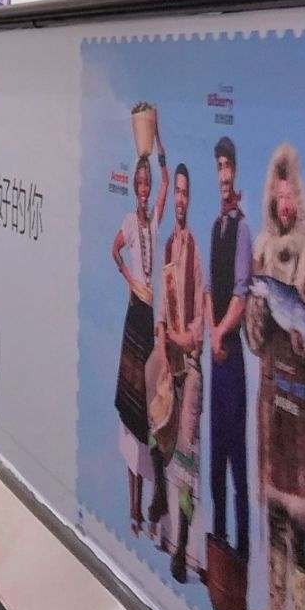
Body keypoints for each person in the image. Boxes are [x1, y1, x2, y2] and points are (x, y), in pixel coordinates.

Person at [246, 143, 305, 610]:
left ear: (298, 198)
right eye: (277, 196)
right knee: (274, 513)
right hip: (269, 409)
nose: (284, 204)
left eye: (290, 194)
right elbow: (254, 339)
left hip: (300, 414)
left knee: (298, 521)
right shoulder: (260, 252)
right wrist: (258, 313)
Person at [111, 133, 170, 542]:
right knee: (132, 415)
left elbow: (166, 187)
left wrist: (158, 141)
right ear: (135, 187)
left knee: (151, 412)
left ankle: (148, 505)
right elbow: (114, 251)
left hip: (152, 317)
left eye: (148, 183)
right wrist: (131, 280)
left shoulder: (154, 221)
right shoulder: (131, 223)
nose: (146, 189)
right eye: (142, 183)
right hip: (136, 314)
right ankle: (132, 507)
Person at [207, 135, 252, 573]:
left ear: (235, 172)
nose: (223, 174)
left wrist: (220, 333)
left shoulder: (241, 229)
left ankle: (241, 554)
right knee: (215, 458)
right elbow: (209, 290)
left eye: (227, 166)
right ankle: (218, 546)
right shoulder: (215, 227)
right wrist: (209, 328)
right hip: (215, 352)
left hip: (231, 356)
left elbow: (241, 293)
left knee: (237, 459)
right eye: (218, 166)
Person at [161, 163, 207, 584]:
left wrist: (179, 339)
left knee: (186, 467)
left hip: (190, 372)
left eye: (185, 193)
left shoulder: (194, 252)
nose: (179, 199)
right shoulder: (168, 247)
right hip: (169, 367)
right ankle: (166, 529)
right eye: (175, 192)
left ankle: (181, 546)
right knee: (161, 442)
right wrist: (163, 340)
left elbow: (197, 330)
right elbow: (164, 309)